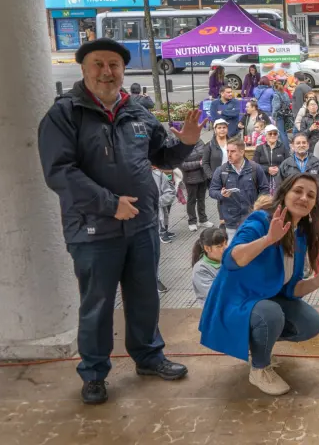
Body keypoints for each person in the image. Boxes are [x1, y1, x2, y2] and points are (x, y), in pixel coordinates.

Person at [38, 38, 202, 405]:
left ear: (123, 70)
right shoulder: (64, 115)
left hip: (141, 227)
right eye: (98, 64)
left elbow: (163, 155)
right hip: (93, 230)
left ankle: (148, 357)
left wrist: (187, 143)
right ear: (83, 69)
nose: (106, 72)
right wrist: (109, 204)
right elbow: (59, 172)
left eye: (114, 65)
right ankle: (94, 373)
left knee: (144, 297)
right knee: (97, 304)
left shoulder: (137, 112)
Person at [199, 174, 319, 395]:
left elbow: (291, 289)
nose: (303, 198)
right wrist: (268, 239)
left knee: (310, 323)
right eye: (298, 191)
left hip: (267, 299)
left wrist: (317, 281)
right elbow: (231, 259)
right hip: (237, 301)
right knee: (271, 314)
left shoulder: (300, 234)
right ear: (285, 192)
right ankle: (259, 368)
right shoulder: (260, 221)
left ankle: (260, 345)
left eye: (310, 195)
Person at [209, 136, 271, 239]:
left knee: (253, 249)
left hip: (252, 218)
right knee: (233, 251)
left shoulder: (255, 168)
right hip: (231, 221)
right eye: (227, 151)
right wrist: (221, 194)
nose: (229, 154)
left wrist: (259, 204)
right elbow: (212, 191)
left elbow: (264, 189)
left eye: (233, 151)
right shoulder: (221, 170)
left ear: (242, 152)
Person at [279, 133, 319, 197]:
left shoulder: (317, 163)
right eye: (298, 143)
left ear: (308, 145)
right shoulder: (285, 164)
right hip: (292, 202)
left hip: (313, 201)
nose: (301, 145)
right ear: (292, 146)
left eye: (304, 143)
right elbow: (279, 186)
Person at [180, 137, 212, 231]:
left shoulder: (199, 141)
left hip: (202, 175)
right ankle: (192, 221)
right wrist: (199, 163)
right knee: (191, 200)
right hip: (190, 177)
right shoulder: (180, 146)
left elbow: (206, 153)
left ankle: (203, 219)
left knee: (201, 199)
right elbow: (182, 165)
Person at [191, 227, 228, 305]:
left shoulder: (228, 259)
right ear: (207, 248)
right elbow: (217, 295)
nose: (225, 248)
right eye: (219, 246)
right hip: (216, 311)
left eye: (225, 243)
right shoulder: (200, 269)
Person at [254, 124, 290, 195]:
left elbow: (288, 163)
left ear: (277, 135)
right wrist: (267, 169)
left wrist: (279, 169)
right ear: (265, 135)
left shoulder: (283, 147)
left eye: (275, 133)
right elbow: (255, 165)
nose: (272, 135)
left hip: (279, 181)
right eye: (270, 133)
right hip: (263, 181)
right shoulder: (259, 148)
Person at [152, 166, 178, 245]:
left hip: (159, 199)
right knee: (158, 215)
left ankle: (163, 230)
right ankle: (161, 232)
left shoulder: (159, 174)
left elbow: (170, 191)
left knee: (164, 213)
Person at [271, 80, 293, 147]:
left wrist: (273, 116)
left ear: (274, 87)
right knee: (285, 132)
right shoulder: (285, 93)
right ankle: (287, 148)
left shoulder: (276, 95)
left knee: (281, 132)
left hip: (279, 115)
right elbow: (289, 103)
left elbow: (276, 107)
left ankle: (285, 148)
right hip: (286, 114)